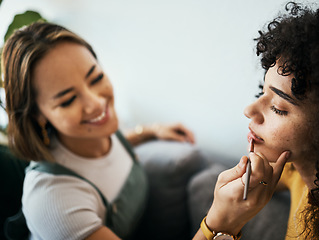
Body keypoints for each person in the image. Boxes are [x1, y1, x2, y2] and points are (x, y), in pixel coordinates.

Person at [2, 22, 196, 239]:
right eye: (68, 100)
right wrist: (216, 224)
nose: (95, 103)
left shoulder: (94, 133)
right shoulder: (53, 199)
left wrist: (150, 131)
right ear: (37, 114)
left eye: (96, 78)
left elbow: (110, 151)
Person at [191, 1, 319, 240]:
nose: (249, 110)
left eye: (278, 108)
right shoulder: (297, 170)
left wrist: (220, 222)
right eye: (261, 93)